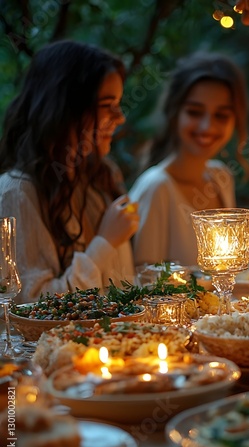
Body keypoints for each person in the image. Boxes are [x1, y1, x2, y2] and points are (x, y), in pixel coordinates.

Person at [0, 40, 138, 303]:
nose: (120, 118)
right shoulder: (17, 192)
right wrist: (105, 243)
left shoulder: (100, 176)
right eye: (107, 105)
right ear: (67, 108)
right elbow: (31, 305)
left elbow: (121, 290)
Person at [129, 52, 249, 267]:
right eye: (195, 112)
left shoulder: (221, 177)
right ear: (174, 112)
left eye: (221, 116)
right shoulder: (156, 188)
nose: (207, 127)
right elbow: (144, 283)